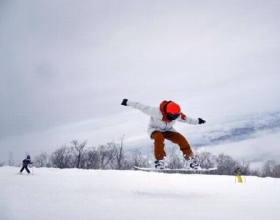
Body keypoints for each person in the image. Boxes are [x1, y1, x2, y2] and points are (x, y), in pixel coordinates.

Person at [121, 99, 206, 170]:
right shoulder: (155, 111)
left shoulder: (177, 114)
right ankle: (159, 161)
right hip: (155, 129)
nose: (174, 119)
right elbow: (140, 106)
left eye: (176, 117)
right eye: (172, 117)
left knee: (181, 139)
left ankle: (190, 160)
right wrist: (127, 102)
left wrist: (198, 121)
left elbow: (187, 119)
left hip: (168, 130)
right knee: (159, 138)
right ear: (167, 113)